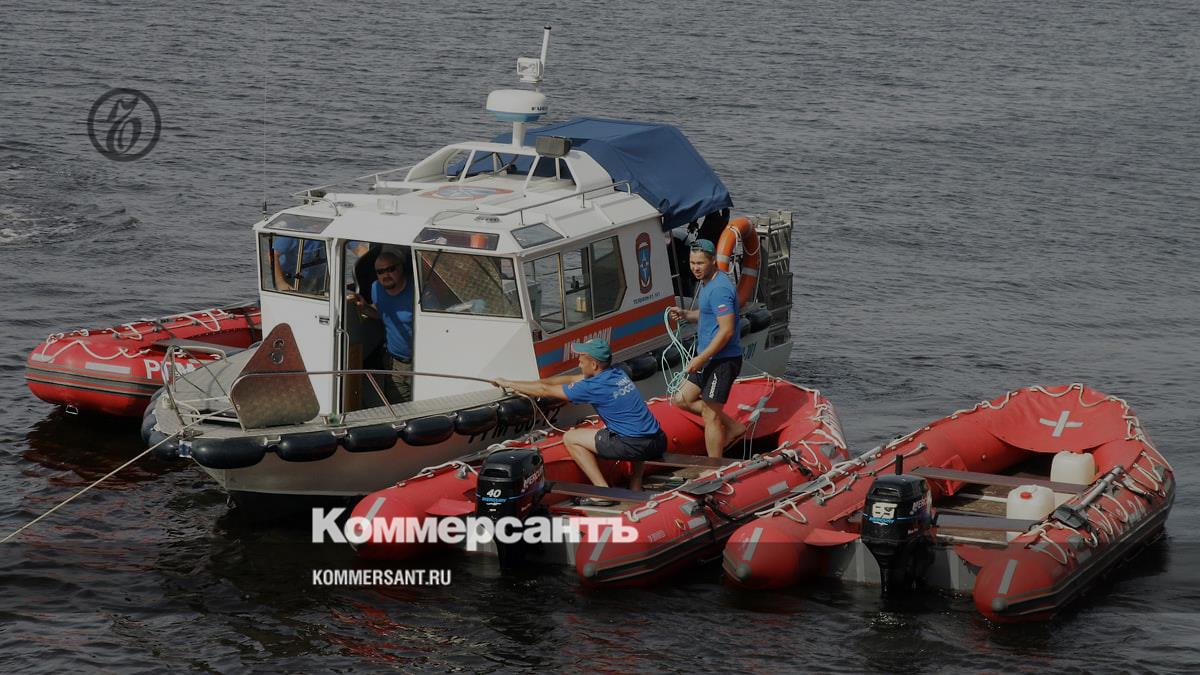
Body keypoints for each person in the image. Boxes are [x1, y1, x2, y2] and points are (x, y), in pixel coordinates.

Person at [492, 338, 666, 495]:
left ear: (594, 365)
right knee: (635, 428)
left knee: (570, 437)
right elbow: (564, 380)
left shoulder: (592, 386)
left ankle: (603, 491)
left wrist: (508, 383)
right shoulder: (617, 373)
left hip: (633, 445)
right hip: (657, 440)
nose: (579, 362)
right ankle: (636, 484)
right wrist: (528, 384)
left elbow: (545, 391)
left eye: (582, 359)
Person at [668, 239, 747, 458]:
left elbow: (727, 330)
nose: (695, 268)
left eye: (700, 263)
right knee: (681, 399)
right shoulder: (706, 283)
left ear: (713, 261)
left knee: (711, 416)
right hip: (706, 357)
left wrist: (701, 358)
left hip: (722, 360)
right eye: (692, 263)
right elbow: (709, 314)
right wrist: (686, 314)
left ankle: (713, 467)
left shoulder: (720, 289)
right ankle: (733, 427)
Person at [347, 251, 414, 403]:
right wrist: (365, 308)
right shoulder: (376, 288)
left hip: (418, 363)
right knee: (398, 408)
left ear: (401, 268)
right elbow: (383, 313)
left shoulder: (417, 292)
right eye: (380, 271)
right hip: (393, 362)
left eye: (391, 269)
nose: (386, 275)